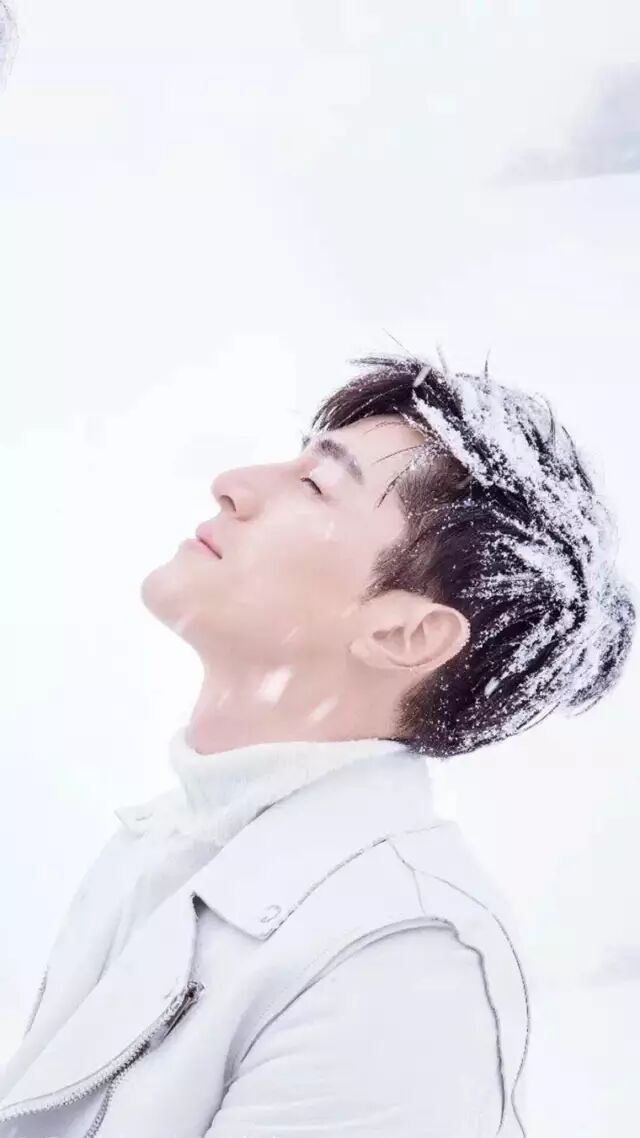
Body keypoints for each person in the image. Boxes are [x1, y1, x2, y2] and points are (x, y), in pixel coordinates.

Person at [0, 352, 634, 1137]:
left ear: (405, 634)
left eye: (316, 485)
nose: (232, 484)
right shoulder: (169, 847)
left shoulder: (402, 966)